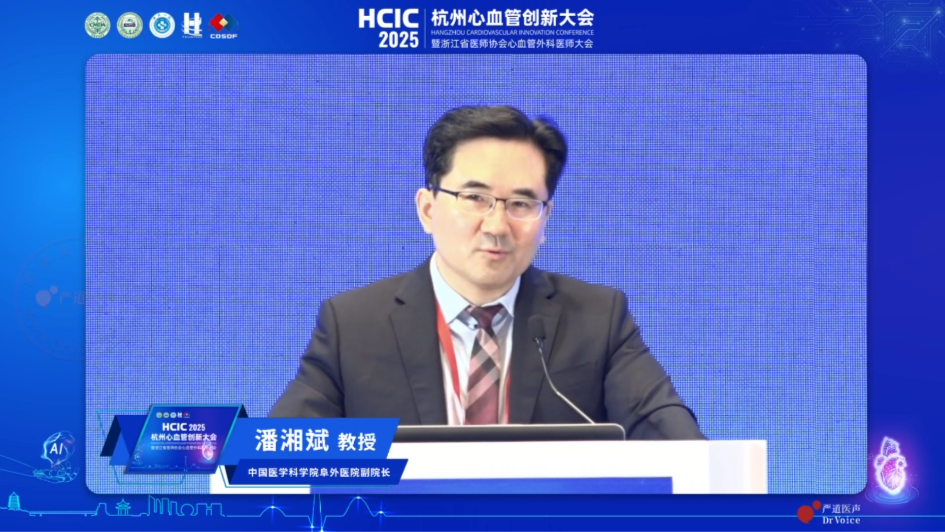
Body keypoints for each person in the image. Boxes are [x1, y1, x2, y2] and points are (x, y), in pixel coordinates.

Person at [270, 105, 705, 440]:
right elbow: (272, 457)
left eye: (521, 204)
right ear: (427, 209)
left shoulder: (597, 319)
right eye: (475, 198)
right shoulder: (353, 325)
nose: (497, 226)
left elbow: (677, 441)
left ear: (546, 219)